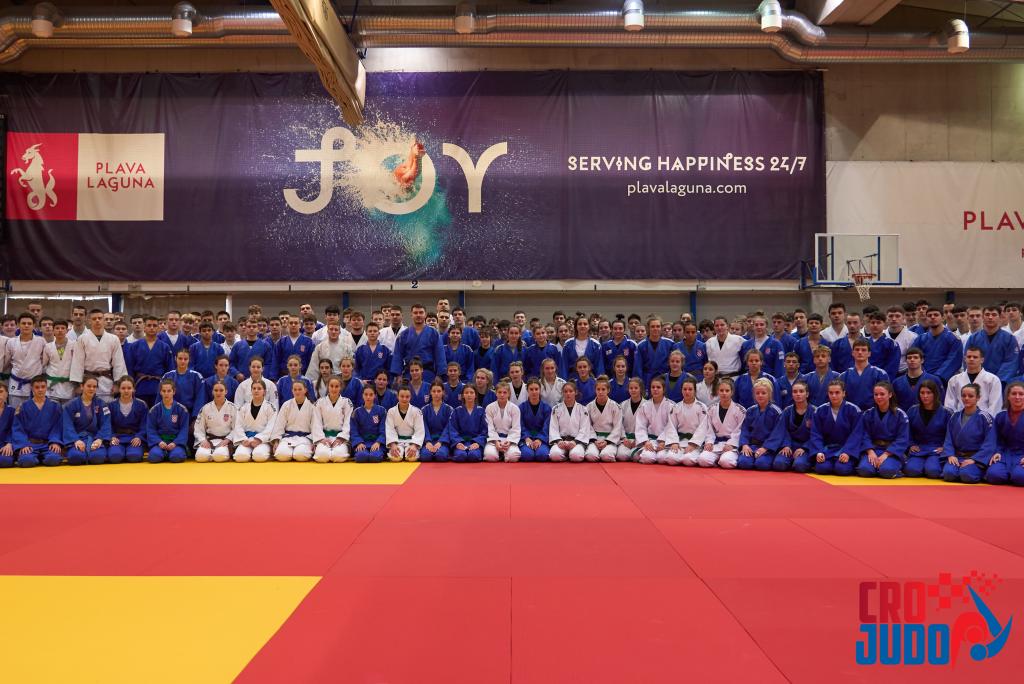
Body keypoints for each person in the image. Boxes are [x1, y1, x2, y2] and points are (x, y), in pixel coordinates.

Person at [70, 309, 128, 404]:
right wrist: (78, 384)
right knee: (88, 407)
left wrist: (117, 384)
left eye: (100, 318)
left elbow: (119, 363)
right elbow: (77, 362)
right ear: (89, 321)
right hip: (88, 380)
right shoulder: (82, 339)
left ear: (103, 320)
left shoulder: (113, 339)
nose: (97, 320)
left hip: (107, 381)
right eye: (94, 319)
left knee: (106, 408)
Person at [853, 381, 910, 479]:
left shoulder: (900, 415)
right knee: (864, 470)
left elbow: (902, 438)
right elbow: (864, 434)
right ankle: (875, 467)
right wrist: (870, 451)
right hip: (873, 448)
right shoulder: (868, 414)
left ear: (890, 395)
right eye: (876, 394)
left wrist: (886, 454)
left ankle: (895, 467)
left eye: (882, 394)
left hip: (892, 451)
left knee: (886, 471)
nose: (878, 397)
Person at [942, 384, 996, 484]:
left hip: (976, 458)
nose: (966, 398)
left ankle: (978, 471)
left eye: (971, 396)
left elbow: (990, 443)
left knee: (967, 475)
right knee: (949, 474)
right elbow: (948, 439)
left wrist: (974, 459)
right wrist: (950, 455)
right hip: (957, 456)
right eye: (964, 395)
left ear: (978, 398)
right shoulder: (955, 416)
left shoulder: (985, 417)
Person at [808, 380, 862, 476]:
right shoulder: (820, 410)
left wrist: (847, 452)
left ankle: (845, 463)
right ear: (827, 394)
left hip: (845, 449)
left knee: (842, 469)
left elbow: (856, 434)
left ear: (843, 393)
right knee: (822, 468)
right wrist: (819, 451)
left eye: (837, 392)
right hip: (827, 449)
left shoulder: (854, 410)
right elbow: (816, 434)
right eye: (831, 393)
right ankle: (831, 462)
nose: (834, 396)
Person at [693, 378, 745, 468]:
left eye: (727, 391)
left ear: (732, 392)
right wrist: (709, 442)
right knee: (702, 460)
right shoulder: (711, 409)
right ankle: (718, 460)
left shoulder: (740, 410)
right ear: (718, 392)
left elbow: (740, 430)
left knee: (726, 462)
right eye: (721, 390)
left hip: (731, 446)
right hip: (716, 444)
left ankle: (723, 460)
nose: (724, 393)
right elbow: (709, 428)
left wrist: (732, 444)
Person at [904, 379, 950, 479]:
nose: (925, 396)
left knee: (933, 471)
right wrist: (911, 444)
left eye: (928, 393)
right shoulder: (912, 410)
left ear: (935, 394)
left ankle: (929, 465)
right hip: (919, 449)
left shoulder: (946, 412)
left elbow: (950, 434)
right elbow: (906, 431)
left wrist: (945, 447)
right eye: (922, 393)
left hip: (937, 449)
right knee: (911, 470)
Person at [62, 375, 111, 465]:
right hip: (77, 438)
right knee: (75, 457)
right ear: (82, 386)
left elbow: (106, 424)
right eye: (89, 386)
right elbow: (67, 425)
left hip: (95, 438)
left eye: (94, 386)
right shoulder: (71, 405)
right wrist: (76, 440)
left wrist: (99, 439)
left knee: (97, 458)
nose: (91, 389)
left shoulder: (101, 404)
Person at [269, 378, 322, 462]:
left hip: (305, 438)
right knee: (281, 455)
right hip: (288, 438)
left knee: (300, 455)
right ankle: (289, 452)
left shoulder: (312, 406)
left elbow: (316, 426)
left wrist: (315, 442)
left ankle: (296, 452)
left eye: (300, 389)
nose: (297, 392)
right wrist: (276, 441)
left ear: (305, 390)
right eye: (295, 389)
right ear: (292, 391)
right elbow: (279, 424)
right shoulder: (286, 405)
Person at [391, 304, 447, 383]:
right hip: (409, 373)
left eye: (421, 312)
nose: (418, 315)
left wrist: (439, 375)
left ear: (425, 315)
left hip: (428, 373)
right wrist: (398, 375)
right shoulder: (404, 334)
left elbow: (440, 354)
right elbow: (398, 355)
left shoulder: (433, 333)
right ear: (411, 315)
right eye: (415, 313)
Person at [126, 315, 175, 407]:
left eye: (154, 325)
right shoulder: (134, 346)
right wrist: (130, 385)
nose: (152, 328)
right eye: (149, 325)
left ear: (158, 328)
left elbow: (170, 369)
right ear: (144, 327)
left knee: (157, 411)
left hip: (159, 386)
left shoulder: (164, 347)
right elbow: (130, 368)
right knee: (140, 411)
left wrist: (168, 387)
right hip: (140, 385)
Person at [737, 379, 784, 471]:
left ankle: (764, 458)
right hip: (752, 445)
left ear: (769, 394)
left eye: (763, 393)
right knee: (743, 463)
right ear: (754, 395)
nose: (760, 395)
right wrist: (745, 445)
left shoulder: (776, 411)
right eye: (757, 393)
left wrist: (765, 448)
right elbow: (745, 430)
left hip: (768, 447)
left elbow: (777, 433)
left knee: (762, 464)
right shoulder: (750, 410)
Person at [966, 306, 1020, 384]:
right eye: (987, 314)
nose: (990, 317)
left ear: (1000, 317)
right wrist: (977, 378)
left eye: (994, 315)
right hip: (977, 381)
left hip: (1001, 382)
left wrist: (996, 381)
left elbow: (1011, 362)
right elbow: (968, 359)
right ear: (983, 317)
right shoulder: (973, 338)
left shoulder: (1009, 338)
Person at [945, 346, 1002, 418]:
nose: (971, 359)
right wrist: (955, 420)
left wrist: (985, 421)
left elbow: (995, 406)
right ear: (965, 359)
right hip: (959, 420)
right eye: (969, 357)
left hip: (984, 421)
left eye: (975, 357)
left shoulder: (993, 380)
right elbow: (949, 405)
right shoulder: (954, 380)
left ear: (982, 360)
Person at [986, 381, 1024, 485]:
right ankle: (1011, 473)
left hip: (1022, 455)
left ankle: (1014, 474)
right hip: (1005, 454)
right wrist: (997, 452)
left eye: (1021, 394)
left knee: (1020, 477)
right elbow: (995, 439)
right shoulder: (1000, 417)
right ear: (1008, 396)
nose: (1017, 397)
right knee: (993, 475)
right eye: (1014, 394)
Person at [912, 307, 963, 384]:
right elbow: (914, 358)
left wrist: (937, 377)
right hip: (923, 380)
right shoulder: (920, 339)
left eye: (936, 315)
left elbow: (953, 360)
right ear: (926, 319)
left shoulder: (954, 339)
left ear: (943, 318)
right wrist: (923, 375)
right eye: (929, 315)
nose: (932, 317)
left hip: (945, 381)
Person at [7, 312, 47, 408]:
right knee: (15, 412)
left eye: (29, 323)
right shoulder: (11, 342)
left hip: (35, 385)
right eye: (23, 323)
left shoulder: (41, 341)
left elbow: (45, 361)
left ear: (34, 325)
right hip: (16, 383)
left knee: (34, 413)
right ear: (18, 325)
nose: (26, 325)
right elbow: (8, 362)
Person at [231, 379, 276, 463]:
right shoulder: (244, 407)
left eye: (259, 388)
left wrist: (259, 439)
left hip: (262, 440)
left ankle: (265, 452)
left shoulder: (271, 407)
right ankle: (249, 453)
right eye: (254, 388)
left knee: (259, 456)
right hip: (247, 439)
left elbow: (271, 427)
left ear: (264, 391)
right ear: (251, 391)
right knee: (240, 457)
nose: (256, 391)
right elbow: (238, 426)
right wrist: (243, 439)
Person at [145, 378, 190, 463]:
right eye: (164, 391)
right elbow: (151, 429)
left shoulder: (182, 409)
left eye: (169, 391)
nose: (166, 393)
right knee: (154, 457)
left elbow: (184, 430)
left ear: (174, 392)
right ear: (160, 392)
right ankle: (163, 453)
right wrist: (159, 442)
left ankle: (170, 453)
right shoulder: (154, 410)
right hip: (159, 442)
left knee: (176, 457)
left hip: (176, 442)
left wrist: (175, 443)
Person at [775, 379, 814, 472]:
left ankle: (802, 461)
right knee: (779, 464)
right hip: (790, 445)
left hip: (806, 447)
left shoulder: (815, 411)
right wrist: (786, 445)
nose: (798, 394)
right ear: (792, 394)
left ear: (807, 394)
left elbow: (817, 434)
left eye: (801, 391)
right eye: (795, 392)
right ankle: (790, 460)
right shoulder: (787, 411)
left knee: (800, 465)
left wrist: (804, 447)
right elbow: (782, 430)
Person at [667, 377, 708, 467]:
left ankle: (689, 456)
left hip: (696, 443)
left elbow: (703, 428)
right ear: (681, 390)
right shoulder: (676, 407)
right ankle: (683, 456)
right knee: (670, 459)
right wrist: (674, 442)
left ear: (695, 391)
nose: (687, 392)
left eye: (690, 389)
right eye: (684, 389)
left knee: (688, 460)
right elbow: (671, 426)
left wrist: (693, 444)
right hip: (680, 441)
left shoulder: (701, 407)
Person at [548, 381, 592, 463]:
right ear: (562, 393)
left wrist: (575, 442)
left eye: (571, 391)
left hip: (577, 441)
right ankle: (566, 455)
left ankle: (571, 454)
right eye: (565, 391)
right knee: (554, 455)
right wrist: (558, 441)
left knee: (576, 456)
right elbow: (553, 428)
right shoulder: (556, 409)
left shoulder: (583, 409)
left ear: (576, 392)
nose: (568, 394)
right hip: (561, 441)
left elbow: (584, 428)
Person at [193, 380, 236, 463]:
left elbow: (237, 428)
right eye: (216, 390)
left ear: (226, 391)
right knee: (200, 457)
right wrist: (203, 440)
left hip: (225, 441)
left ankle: (215, 454)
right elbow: (198, 428)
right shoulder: (206, 408)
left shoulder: (233, 408)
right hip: (209, 440)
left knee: (219, 457)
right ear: (212, 392)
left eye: (221, 390)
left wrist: (227, 440)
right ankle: (212, 453)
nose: (218, 393)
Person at [840, 340, 889, 410]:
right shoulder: (844, 376)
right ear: (852, 353)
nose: (860, 352)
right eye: (857, 350)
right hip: (850, 413)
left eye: (863, 350)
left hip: (873, 413)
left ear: (869, 353)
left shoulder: (880, 374)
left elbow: (885, 398)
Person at [585, 376, 623, 462]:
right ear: (595, 390)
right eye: (598, 389)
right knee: (590, 456)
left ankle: (608, 451)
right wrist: (594, 440)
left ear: (608, 390)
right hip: (595, 439)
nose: (600, 392)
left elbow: (618, 427)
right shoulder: (589, 407)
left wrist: (607, 441)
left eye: (603, 389)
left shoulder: (615, 406)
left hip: (610, 439)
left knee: (606, 456)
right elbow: (587, 425)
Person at [892, 347, 943, 412]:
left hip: (927, 416)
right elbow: (893, 404)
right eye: (909, 358)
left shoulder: (934, 380)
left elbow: (941, 401)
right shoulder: (897, 382)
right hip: (903, 416)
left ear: (922, 360)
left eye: (915, 357)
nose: (912, 360)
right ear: (906, 361)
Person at [447, 384, 488, 462]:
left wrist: (478, 443)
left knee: (474, 456)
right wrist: (457, 442)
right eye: (466, 393)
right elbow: (452, 429)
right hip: (461, 442)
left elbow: (485, 430)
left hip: (475, 442)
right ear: (463, 395)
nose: (469, 395)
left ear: (475, 395)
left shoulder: (481, 411)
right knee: (460, 456)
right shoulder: (456, 411)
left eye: (471, 392)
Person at [484, 381, 522, 462]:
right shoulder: (489, 408)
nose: (502, 395)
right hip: (494, 440)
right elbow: (490, 427)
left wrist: (509, 441)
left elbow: (516, 428)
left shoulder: (514, 408)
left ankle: (503, 454)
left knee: (513, 457)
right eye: (499, 392)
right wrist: (496, 441)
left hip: (509, 439)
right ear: (496, 393)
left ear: (509, 394)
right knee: (490, 456)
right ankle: (500, 454)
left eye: (504, 392)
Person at [386, 386, 425, 462]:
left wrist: (414, 445)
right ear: (397, 396)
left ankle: (410, 449)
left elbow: (419, 430)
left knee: (412, 458)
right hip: (397, 442)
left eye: (407, 397)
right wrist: (393, 444)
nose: (404, 399)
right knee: (395, 458)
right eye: (402, 396)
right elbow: (389, 429)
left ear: (410, 397)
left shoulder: (417, 411)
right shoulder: (391, 411)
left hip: (411, 442)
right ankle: (399, 450)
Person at [350, 385, 387, 463]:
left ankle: (379, 452)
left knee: (375, 457)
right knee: (361, 456)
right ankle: (361, 451)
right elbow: (354, 431)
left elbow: (384, 429)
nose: (368, 397)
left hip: (376, 442)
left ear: (375, 396)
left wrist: (378, 442)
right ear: (362, 395)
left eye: (371, 394)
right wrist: (359, 442)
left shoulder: (381, 411)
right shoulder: (356, 412)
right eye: (366, 394)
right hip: (362, 442)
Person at [231, 317, 275, 382]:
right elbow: (231, 363)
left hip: (260, 381)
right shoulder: (237, 346)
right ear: (245, 328)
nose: (251, 328)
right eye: (249, 326)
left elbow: (268, 364)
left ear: (258, 329)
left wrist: (262, 376)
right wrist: (236, 373)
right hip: (241, 380)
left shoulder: (266, 346)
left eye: (254, 326)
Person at [519, 378, 551, 462]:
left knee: (542, 455)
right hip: (526, 438)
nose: (534, 392)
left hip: (542, 439)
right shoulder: (521, 407)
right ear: (527, 391)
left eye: (536, 389)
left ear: (540, 390)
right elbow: (520, 425)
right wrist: (526, 437)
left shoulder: (546, 408)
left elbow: (547, 426)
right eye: (531, 389)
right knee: (527, 455)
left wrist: (539, 439)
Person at [636, 317, 674, 387]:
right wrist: (639, 385)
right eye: (652, 326)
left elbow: (674, 365)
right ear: (648, 328)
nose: (655, 329)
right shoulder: (641, 345)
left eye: (658, 326)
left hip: (665, 379)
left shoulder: (670, 344)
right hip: (647, 379)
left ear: (661, 328)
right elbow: (638, 368)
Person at [44, 320, 75, 406]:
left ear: (67, 330)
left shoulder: (74, 345)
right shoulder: (48, 346)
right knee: (53, 411)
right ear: (53, 330)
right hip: (52, 385)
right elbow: (44, 364)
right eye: (57, 328)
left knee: (67, 411)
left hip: (69, 386)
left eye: (62, 328)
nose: (60, 330)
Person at [420, 380, 453, 462]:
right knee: (425, 456)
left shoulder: (449, 409)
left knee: (441, 455)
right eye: (434, 391)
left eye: (439, 391)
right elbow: (423, 427)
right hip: (429, 440)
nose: (436, 394)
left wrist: (440, 442)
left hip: (443, 441)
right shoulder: (424, 410)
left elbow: (449, 428)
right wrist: (428, 442)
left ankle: (444, 450)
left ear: (443, 392)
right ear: (430, 392)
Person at [274, 314, 315, 379]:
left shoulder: (309, 342)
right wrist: (274, 377)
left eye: (296, 323)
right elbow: (275, 361)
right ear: (287, 325)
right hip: (284, 376)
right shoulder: (281, 342)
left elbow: (311, 362)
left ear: (300, 325)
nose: (293, 325)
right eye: (291, 323)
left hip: (303, 376)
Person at [865, 313, 900, 379]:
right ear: (869, 325)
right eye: (872, 322)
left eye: (878, 323)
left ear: (885, 325)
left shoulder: (892, 344)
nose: (875, 325)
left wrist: (884, 381)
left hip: (882, 379)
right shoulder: (862, 341)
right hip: (864, 378)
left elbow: (892, 366)